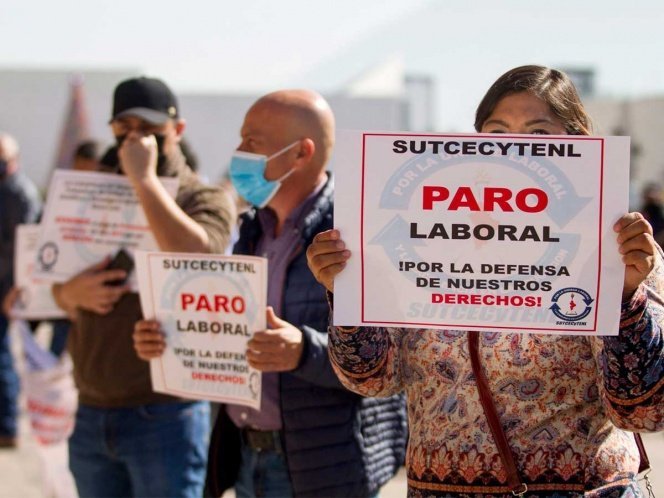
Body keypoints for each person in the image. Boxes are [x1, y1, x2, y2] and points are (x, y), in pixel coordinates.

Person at [307, 65, 664, 497]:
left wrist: (625, 299)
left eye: (539, 134)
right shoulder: (418, 244)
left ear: (579, 142)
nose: (514, 148)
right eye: (497, 131)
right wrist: (345, 293)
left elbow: (646, 412)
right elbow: (372, 379)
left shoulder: (620, 249)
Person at [134, 89, 407, 498]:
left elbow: (388, 359)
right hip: (248, 458)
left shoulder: (355, 234)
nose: (238, 153)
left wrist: (303, 351)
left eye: (252, 141)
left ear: (301, 153)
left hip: (323, 467)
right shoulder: (251, 229)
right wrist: (171, 338)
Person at [51, 76, 236, 498]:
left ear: (178, 130)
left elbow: (197, 259)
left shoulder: (202, 197)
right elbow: (53, 285)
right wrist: (69, 294)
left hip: (165, 413)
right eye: (125, 128)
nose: (135, 139)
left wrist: (145, 181)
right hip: (92, 408)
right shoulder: (93, 194)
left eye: (149, 128)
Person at [0, 132, 42, 448]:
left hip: (6, 290)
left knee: (3, 357)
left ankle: (8, 426)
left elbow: (25, 249)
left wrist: (15, 288)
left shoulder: (21, 194)